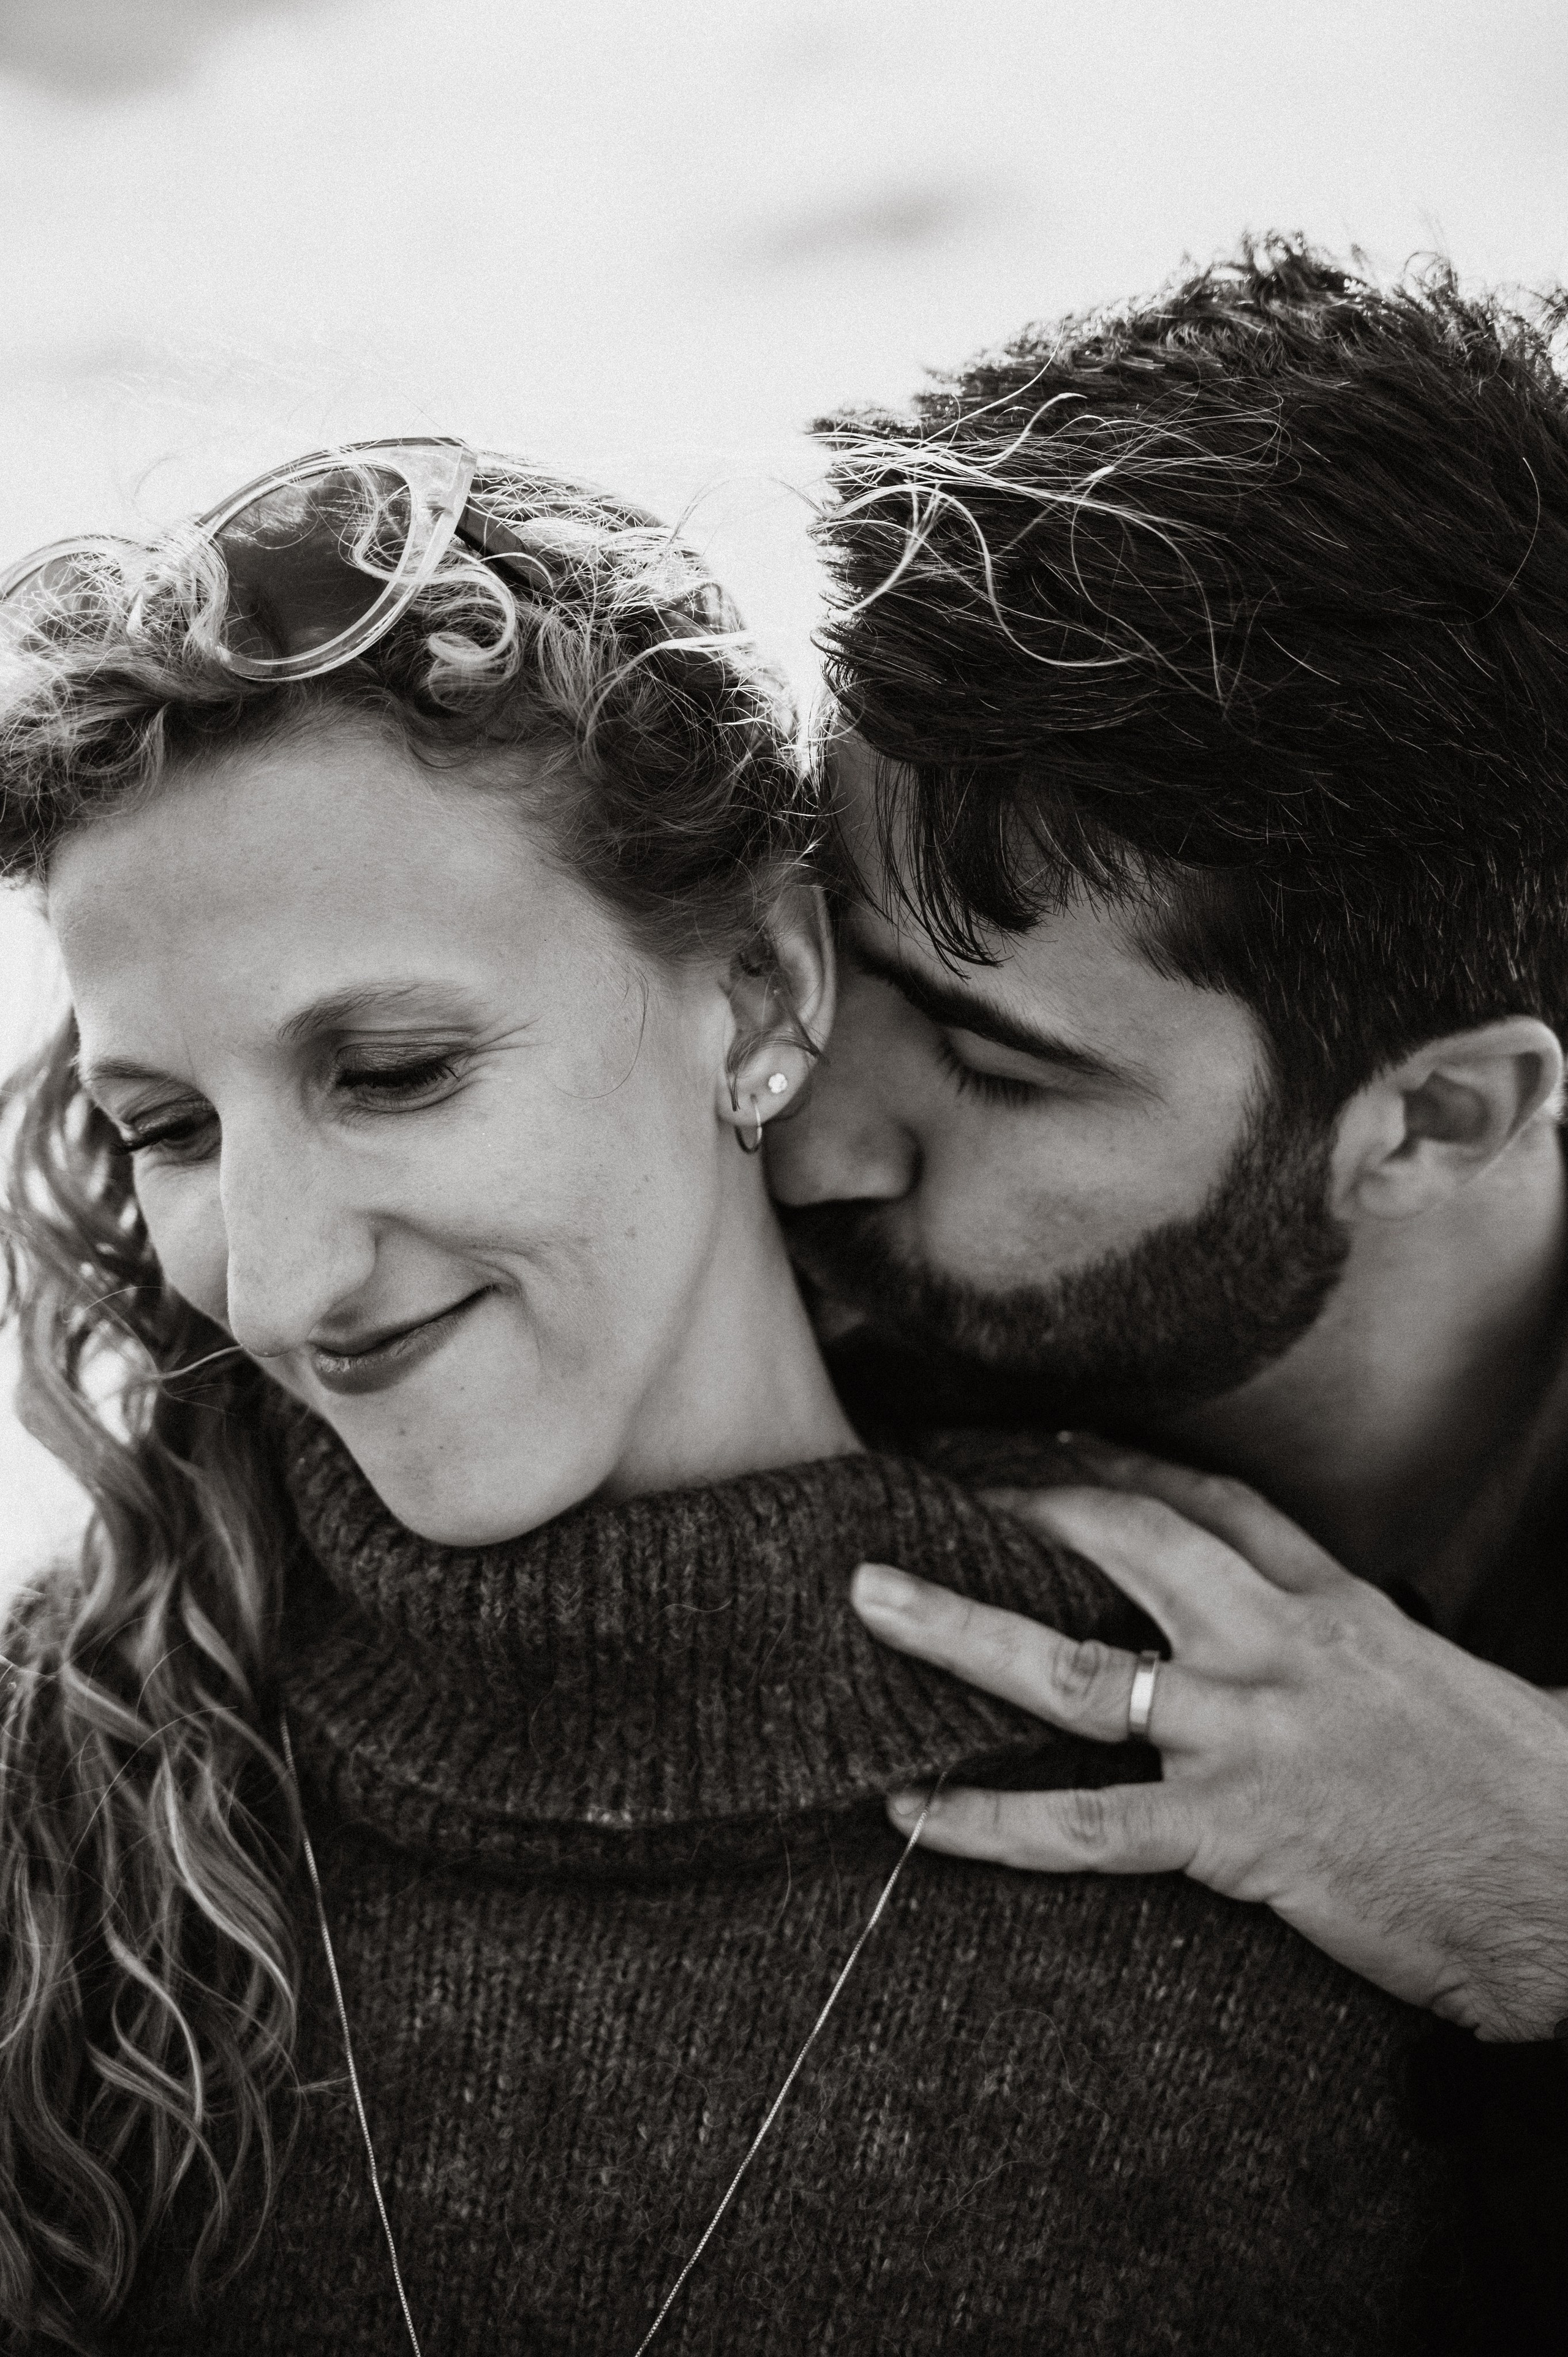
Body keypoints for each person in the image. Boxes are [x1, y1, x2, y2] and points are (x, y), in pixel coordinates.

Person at [0, 443, 1471, 2356]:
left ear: (766, 996)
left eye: (394, 1071)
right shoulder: (68, 1795)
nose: (273, 1282)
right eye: (172, 1128)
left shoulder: (1295, 1821)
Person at [766, 243, 1568, 2339]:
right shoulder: (744, 1301)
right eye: (814, 957)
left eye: (999, 1061)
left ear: (1446, 1119)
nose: (805, 1133)